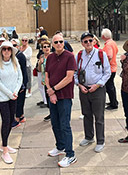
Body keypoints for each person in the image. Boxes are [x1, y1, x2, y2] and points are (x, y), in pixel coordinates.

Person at [74, 32, 111, 153]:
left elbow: (107, 72)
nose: (88, 43)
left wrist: (98, 84)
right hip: (84, 89)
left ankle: (100, 140)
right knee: (86, 114)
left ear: (94, 41)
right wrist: (79, 85)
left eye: (90, 40)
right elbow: (74, 73)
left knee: (99, 116)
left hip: (98, 89)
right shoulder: (79, 55)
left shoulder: (101, 54)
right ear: (82, 43)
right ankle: (89, 137)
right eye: (85, 41)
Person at [45, 34, 77, 168]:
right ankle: (60, 146)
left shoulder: (70, 57)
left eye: (61, 42)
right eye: (56, 42)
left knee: (65, 125)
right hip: (52, 96)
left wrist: (53, 89)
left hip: (64, 96)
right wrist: (50, 91)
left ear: (64, 43)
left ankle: (70, 154)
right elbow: (46, 75)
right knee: (55, 123)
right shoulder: (50, 57)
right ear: (52, 44)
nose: (58, 44)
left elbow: (69, 78)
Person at [0, 41, 22, 164]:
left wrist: (15, 91)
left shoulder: (15, 62)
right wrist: (9, 93)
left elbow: (20, 77)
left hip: (13, 96)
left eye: (8, 49)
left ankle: (4, 143)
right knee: (6, 121)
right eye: (4, 49)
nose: (6, 51)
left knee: (11, 121)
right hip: (2, 97)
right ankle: (5, 150)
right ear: (1, 51)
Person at [11, 38, 28, 128]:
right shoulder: (13, 56)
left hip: (21, 83)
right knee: (19, 100)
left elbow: (23, 71)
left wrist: (23, 84)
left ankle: (17, 118)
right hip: (17, 82)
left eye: (14, 46)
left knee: (19, 101)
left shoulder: (20, 56)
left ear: (18, 46)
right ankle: (21, 115)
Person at [101, 28, 119, 110]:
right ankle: (114, 101)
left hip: (110, 69)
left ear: (103, 36)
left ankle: (113, 103)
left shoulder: (108, 45)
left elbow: (109, 56)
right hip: (113, 67)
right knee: (111, 86)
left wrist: (105, 65)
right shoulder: (113, 43)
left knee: (109, 87)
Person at [37, 40, 51, 121]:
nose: (47, 48)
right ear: (42, 49)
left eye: (48, 46)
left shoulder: (53, 56)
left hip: (52, 80)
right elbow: (39, 70)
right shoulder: (42, 57)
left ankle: (54, 114)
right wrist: (40, 63)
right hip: (45, 81)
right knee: (47, 98)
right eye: (44, 47)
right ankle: (51, 113)